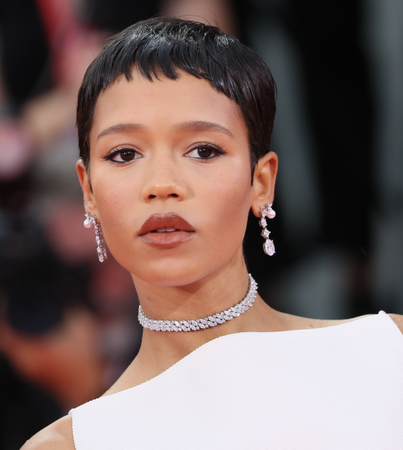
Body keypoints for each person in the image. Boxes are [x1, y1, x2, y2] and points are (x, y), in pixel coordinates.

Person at [22, 17, 403, 449]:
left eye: (204, 150)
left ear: (261, 182)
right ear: (88, 190)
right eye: (124, 154)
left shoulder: (389, 353)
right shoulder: (70, 444)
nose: (161, 184)